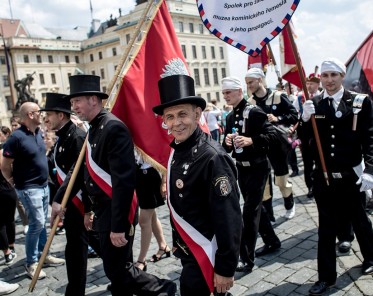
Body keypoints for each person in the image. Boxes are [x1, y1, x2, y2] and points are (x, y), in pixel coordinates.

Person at [55, 74, 176, 296]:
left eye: (76, 101)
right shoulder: (94, 127)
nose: (73, 107)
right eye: (72, 103)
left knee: (118, 269)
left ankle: (163, 288)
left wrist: (118, 225)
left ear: (93, 99)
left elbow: (123, 181)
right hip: (103, 209)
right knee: (116, 270)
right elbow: (81, 170)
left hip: (115, 209)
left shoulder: (113, 127)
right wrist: (60, 199)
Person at [153, 74, 242, 296]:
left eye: (183, 114)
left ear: (197, 113)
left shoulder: (212, 157)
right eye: (169, 117)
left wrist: (225, 267)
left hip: (207, 252)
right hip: (189, 251)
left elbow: (229, 217)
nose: (176, 122)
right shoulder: (178, 149)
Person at [301, 58, 373, 295]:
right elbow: (307, 143)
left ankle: (371, 258)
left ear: (342, 76)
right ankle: (326, 278)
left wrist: (370, 171)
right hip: (324, 177)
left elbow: (370, 139)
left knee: (360, 219)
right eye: (325, 76)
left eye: (333, 75)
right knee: (326, 227)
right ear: (320, 78)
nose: (329, 80)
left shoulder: (360, 102)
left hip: (351, 175)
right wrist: (303, 121)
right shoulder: (315, 104)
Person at [41, 92, 101, 296]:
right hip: (72, 207)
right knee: (76, 251)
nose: (45, 119)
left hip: (82, 206)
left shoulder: (76, 137)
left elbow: (84, 176)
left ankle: (140, 281)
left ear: (61, 115)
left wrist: (88, 211)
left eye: (48, 114)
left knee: (98, 254)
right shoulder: (62, 137)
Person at [221, 77, 280, 271]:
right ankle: (272, 241)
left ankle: (246, 257)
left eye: (229, 92)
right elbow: (226, 149)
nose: (225, 96)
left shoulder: (254, 112)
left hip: (258, 167)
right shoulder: (230, 116)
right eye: (224, 93)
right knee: (255, 207)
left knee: (249, 211)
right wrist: (228, 142)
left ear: (239, 91)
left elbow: (273, 136)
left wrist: (251, 140)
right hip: (242, 168)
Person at [1, 102, 65, 280]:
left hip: (43, 186)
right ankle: (31, 262)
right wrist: (12, 180)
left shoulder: (37, 132)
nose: (42, 114)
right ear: (30, 115)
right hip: (29, 188)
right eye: (39, 112)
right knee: (36, 224)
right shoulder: (16, 137)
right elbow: (5, 165)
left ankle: (44, 255)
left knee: (42, 223)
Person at [246, 68, 298, 219]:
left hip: (278, 145)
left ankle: (289, 204)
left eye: (251, 82)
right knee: (264, 183)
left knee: (282, 180)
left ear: (260, 80)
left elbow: (294, 116)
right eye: (247, 83)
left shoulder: (278, 96)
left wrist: (277, 119)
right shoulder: (250, 103)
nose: (249, 85)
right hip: (260, 147)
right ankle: (269, 215)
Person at [134, 150, 170, 271]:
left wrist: (164, 182)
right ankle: (163, 246)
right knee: (152, 217)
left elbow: (164, 151)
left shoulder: (149, 131)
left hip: (149, 176)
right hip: (137, 175)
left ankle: (141, 259)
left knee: (144, 221)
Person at [293, 73, 321, 198]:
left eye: (312, 83)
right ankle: (310, 186)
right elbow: (294, 115)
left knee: (320, 161)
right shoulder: (299, 98)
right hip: (305, 135)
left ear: (318, 84)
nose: (309, 85)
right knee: (308, 163)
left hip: (320, 134)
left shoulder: (323, 96)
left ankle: (322, 183)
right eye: (307, 83)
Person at [0, 126, 17, 265]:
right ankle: (10, 247)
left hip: (5, 188)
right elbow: (7, 168)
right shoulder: (3, 150)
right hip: (6, 188)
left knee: (1, 222)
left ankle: (7, 251)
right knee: (9, 219)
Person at [10, 116, 29, 234]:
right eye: (12, 125)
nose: (13, 127)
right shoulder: (11, 140)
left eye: (15, 125)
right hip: (15, 177)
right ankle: (26, 222)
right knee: (19, 202)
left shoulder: (25, 138)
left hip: (27, 177)